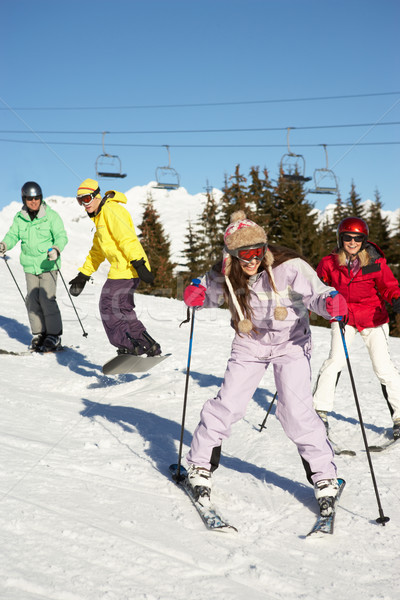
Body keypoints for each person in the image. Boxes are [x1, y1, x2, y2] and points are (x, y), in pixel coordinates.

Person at [182, 210, 348, 518]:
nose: (251, 260)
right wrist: (196, 293)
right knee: (228, 405)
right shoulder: (225, 270)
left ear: (265, 247)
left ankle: (324, 477)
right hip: (249, 344)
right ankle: (200, 466)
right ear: (231, 254)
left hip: (291, 344)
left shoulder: (290, 267)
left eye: (257, 252)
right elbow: (207, 294)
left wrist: (329, 303)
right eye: (244, 255)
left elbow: (317, 294)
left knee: (296, 412)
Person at [313, 217, 400, 441]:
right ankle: (318, 412)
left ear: (364, 240)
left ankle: (399, 417)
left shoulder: (374, 262)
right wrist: (312, 305)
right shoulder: (330, 262)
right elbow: (316, 287)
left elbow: (389, 286)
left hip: (373, 317)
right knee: (335, 361)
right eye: (348, 238)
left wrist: (397, 299)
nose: (352, 242)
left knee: (384, 368)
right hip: (343, 317)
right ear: (340, 238)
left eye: (358, 238)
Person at [69, 178, 161, 356]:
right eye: (80, 200)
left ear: (96, 196)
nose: (84, 204)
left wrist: (139, 262)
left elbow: (127, 237)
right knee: (124, 309)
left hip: (127, 268)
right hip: (126, 268)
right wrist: (83, 275)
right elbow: (97, 252)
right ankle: (148, 344)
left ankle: (127, 345)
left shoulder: (111, 211)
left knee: (108, 306)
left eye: (86, 199)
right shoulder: (100, 218)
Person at [0, 181, 68, 351]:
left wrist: (56, 249)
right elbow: (13, 235)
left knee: (47, 299)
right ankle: (39, 334)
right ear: (24, 199)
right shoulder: (20, 217)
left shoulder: (51, 216)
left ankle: (54, 335)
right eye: (30, 199)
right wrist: (4, 245)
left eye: (37, 198)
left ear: (41, 198)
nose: (34, 201)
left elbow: (61, 236)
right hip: (30, 266)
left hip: (48, 264)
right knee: (31, 299)